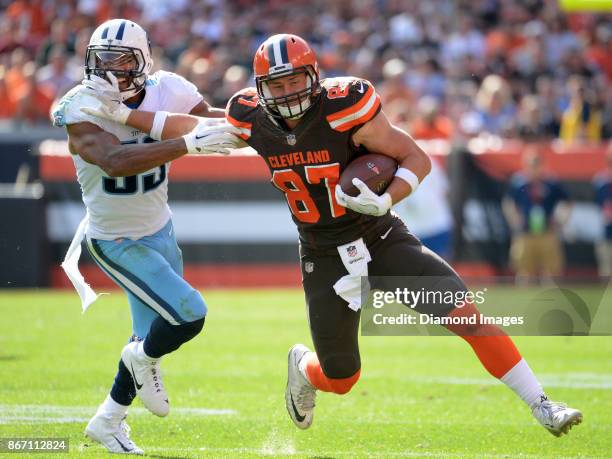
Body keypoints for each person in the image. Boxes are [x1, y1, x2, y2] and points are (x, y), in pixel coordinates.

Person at [84, 33, 583, 438]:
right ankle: (304, 369)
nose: (285, 94)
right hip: (322, 254)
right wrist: (122, 114)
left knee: (464, 312)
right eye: (274, 87)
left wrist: (389, 198)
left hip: (380, 234)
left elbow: (417, 158)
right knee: (342, 379)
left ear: (314, 76)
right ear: (260, 90)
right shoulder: (249, 117)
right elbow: (183, 123)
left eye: (294, 81)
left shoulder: (348, 104)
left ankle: (542, 403)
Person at [52, 19, 241, 455]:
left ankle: (108, 421)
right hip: (116, 241)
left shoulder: (167, 88)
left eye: (121, 61)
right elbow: (115, 161)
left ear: (144, 61)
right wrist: (188, 145)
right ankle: (143, 360)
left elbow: (216, 124)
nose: (111, 72)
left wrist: (252, 121)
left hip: (160, 228)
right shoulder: (79, 106)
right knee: (189, 314)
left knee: (149, 337)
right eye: (101, 61)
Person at [503, 149, 571, 282]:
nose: (534, 169)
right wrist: (514, 219)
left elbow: (567, 202)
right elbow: (509, 202)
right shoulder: (519, 182)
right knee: (524, 272)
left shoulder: (552, 183)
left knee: (550, 272)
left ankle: (550, 301)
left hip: (547, 232)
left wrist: (561, 220)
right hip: (525, 232)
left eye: (536, 164)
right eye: (531, 165)